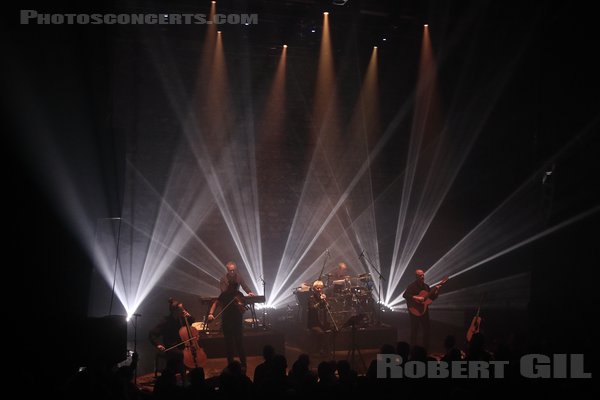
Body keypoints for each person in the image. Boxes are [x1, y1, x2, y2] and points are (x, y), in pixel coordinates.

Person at [208, 261, 255, 369]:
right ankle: (230, 365)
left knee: (239, 342)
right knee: (229, 343)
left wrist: (243, 300)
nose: (233, 272)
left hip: (237, 320)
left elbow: (245, 288)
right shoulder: (224, 291)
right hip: (227, 319)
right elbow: (216, 302)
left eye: (234, 270)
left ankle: (244, 364)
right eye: (231, 270)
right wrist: (211, 314)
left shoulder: (239, 294)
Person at [149, 298, 195, 379]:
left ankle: (192, 377)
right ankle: (184, 378)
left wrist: (189, 316)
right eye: (181, 310)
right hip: (171, 347)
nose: (183, 311)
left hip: (181, 346)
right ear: (175, 311)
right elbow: (152, 334)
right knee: (182, 355)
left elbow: (191, 322)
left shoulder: (181, 319)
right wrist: (158, 345)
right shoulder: (165, 321)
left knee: (192, 352)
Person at [402, 269, 442, 350]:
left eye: (423, 275)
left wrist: (436, 291)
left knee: (427, 329)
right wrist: (416, 297)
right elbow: (405, 295)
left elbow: (431, 298)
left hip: (424, 310)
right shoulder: (412, 286)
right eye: (420, 275)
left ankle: (425, 348)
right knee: (414, 329)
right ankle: (413, 348)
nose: (422, 277)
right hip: (414, 310)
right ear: (416, 277)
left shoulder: (426, 286)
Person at [307, 280, 331, 356]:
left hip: (322, 322)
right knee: (321, 333)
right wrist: (320, 301)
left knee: (331, 331)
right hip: (314, 323)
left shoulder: (322, 297)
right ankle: (318, 350)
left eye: (321, 288)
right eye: (318, 288)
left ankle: (324, 350)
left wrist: (325, 301)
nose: (320, 290)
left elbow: (328, 308)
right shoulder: (311, 298)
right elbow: (312, 308)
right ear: (314, 289)